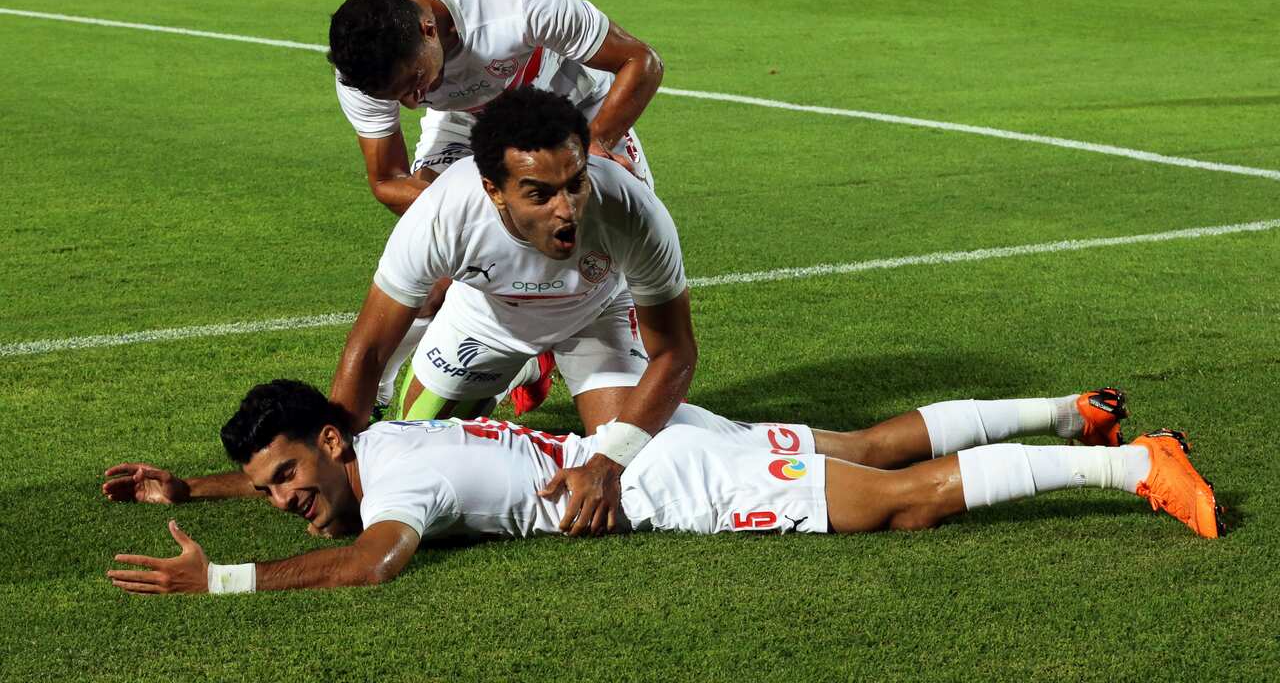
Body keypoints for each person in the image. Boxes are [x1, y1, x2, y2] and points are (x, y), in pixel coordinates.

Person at [102, 381, 1224, 595]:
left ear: (337, 443)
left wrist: (228, 581)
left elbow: (371, 554)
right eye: (267, 488)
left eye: (287, 474)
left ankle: (1133, 462)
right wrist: (196, 492)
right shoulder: (380, 438)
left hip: (666, 477)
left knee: (902, 497)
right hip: (655, 430)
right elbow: (323, 494)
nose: (281, 495)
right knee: (868, 444)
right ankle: (1067, 409)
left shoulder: (406, 475)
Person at [326, 86, 696, 532]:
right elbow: (367, 350)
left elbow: (675, 352)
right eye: (540, 195)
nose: (568, 210)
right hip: (489, 320)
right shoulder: (443, 212)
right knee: (414, 442)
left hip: (597, 316)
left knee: (642, 462)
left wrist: (608, 462)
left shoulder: (631, 209)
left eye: (576, 184)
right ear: (494, 191)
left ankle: (549, 362)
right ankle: (527, 366)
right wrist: (340, 470)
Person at [328, 0, 665, 412]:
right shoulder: (363, 70)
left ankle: (556, 344)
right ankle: (385, 392)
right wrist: (472, 221)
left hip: (573, 109)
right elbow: (388, 179)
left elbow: (641, 62)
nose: (411, 102)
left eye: (415, 83)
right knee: (435, 265)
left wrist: (595, 149)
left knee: (603, 241)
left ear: (429, 28)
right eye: (398, 96)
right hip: (468, 123)